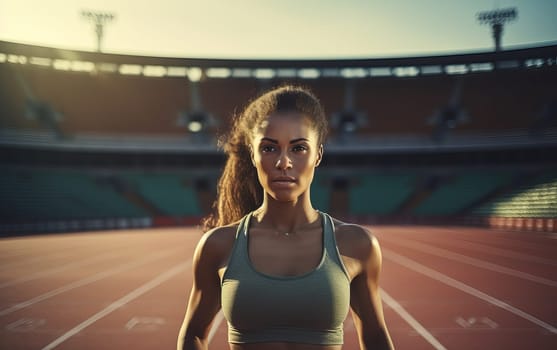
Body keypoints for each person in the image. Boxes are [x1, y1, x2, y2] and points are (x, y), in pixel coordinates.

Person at [177, 85, 394, 350]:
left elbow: (374, 338)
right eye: (269, 148)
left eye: (298, 148)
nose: (284, 162)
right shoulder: (219, 245)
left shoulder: (357, 245)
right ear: (253, 155)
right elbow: (194, 334)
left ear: (318, 155)